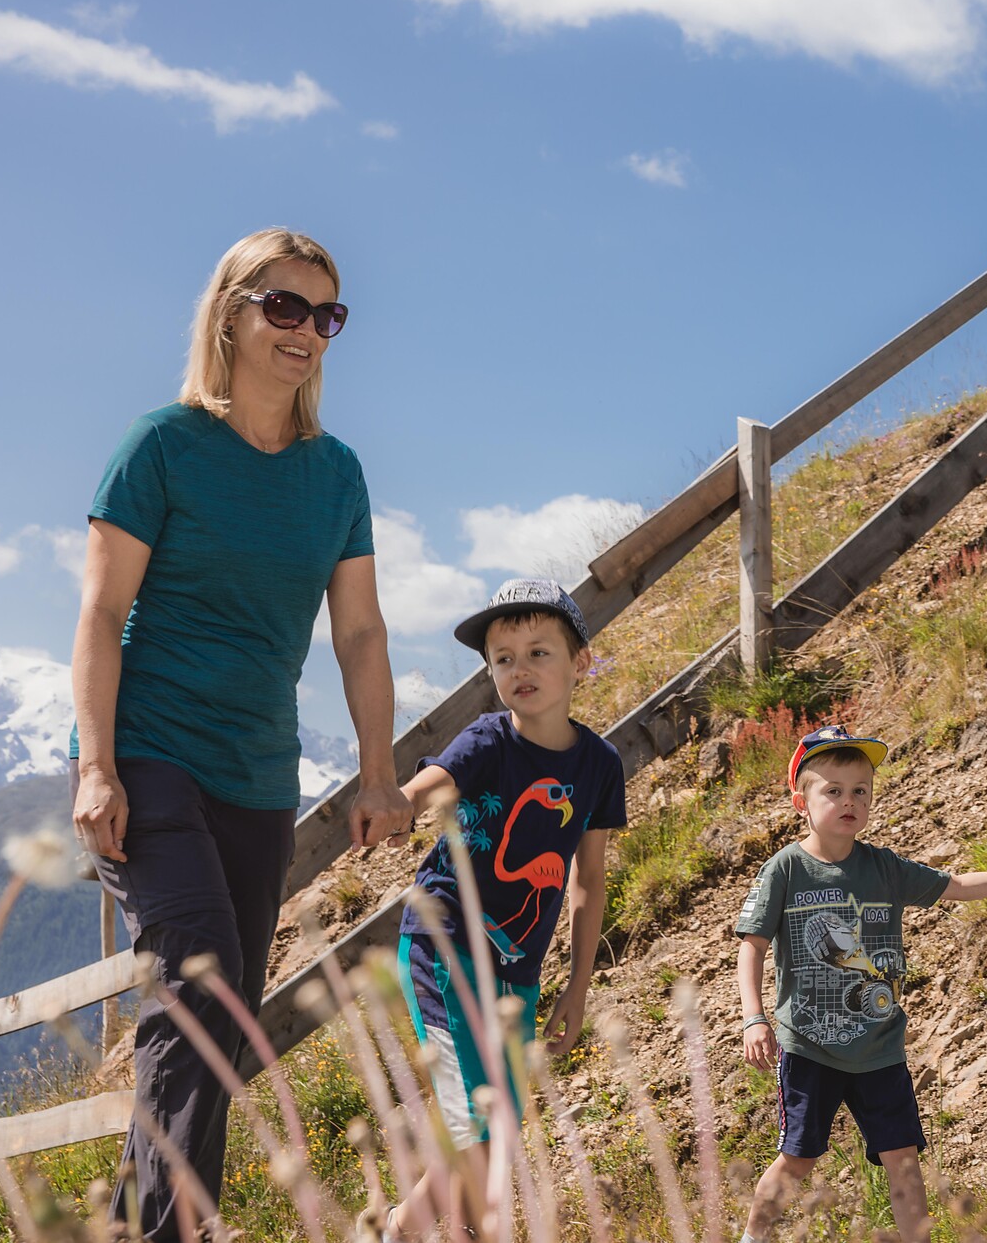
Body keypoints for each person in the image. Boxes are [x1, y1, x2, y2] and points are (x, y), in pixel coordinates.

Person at [69, 228, 414, 1241]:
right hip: (147, 756)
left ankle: (136, 1225)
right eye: (284, 306)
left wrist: (380, 772)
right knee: (202, 982)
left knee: (214, 1023)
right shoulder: (161, 445)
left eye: (326, 313)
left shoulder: (336, 474)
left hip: (256, 780)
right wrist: (97, 766)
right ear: (230, 313)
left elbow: (360, 632)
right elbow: (100, 613)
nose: (306, 330)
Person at [735, 725, 987, 1243]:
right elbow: (752, 947)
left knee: (903, 1159)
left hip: (879, 1047)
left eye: (861, 790)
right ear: (801, 802)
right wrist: (754, 1018)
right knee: (798, 1158)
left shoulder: (884, 868)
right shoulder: (785, 869)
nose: (849, 801)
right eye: (833, 790)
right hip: (809, 1045)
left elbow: (957, 886)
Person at [387, 579, 627, 1241]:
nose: (520, 669)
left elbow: (588, 880)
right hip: (443, 943)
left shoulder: (600, 765)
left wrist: (577, 985)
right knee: (476, 1129)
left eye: (538, 652)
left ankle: (394, 1230)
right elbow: (435, 781)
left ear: (580, 663)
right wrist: (402, 801)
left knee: (496, 1130)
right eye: (503, 658)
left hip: (518, 970)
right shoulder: (488, 740)